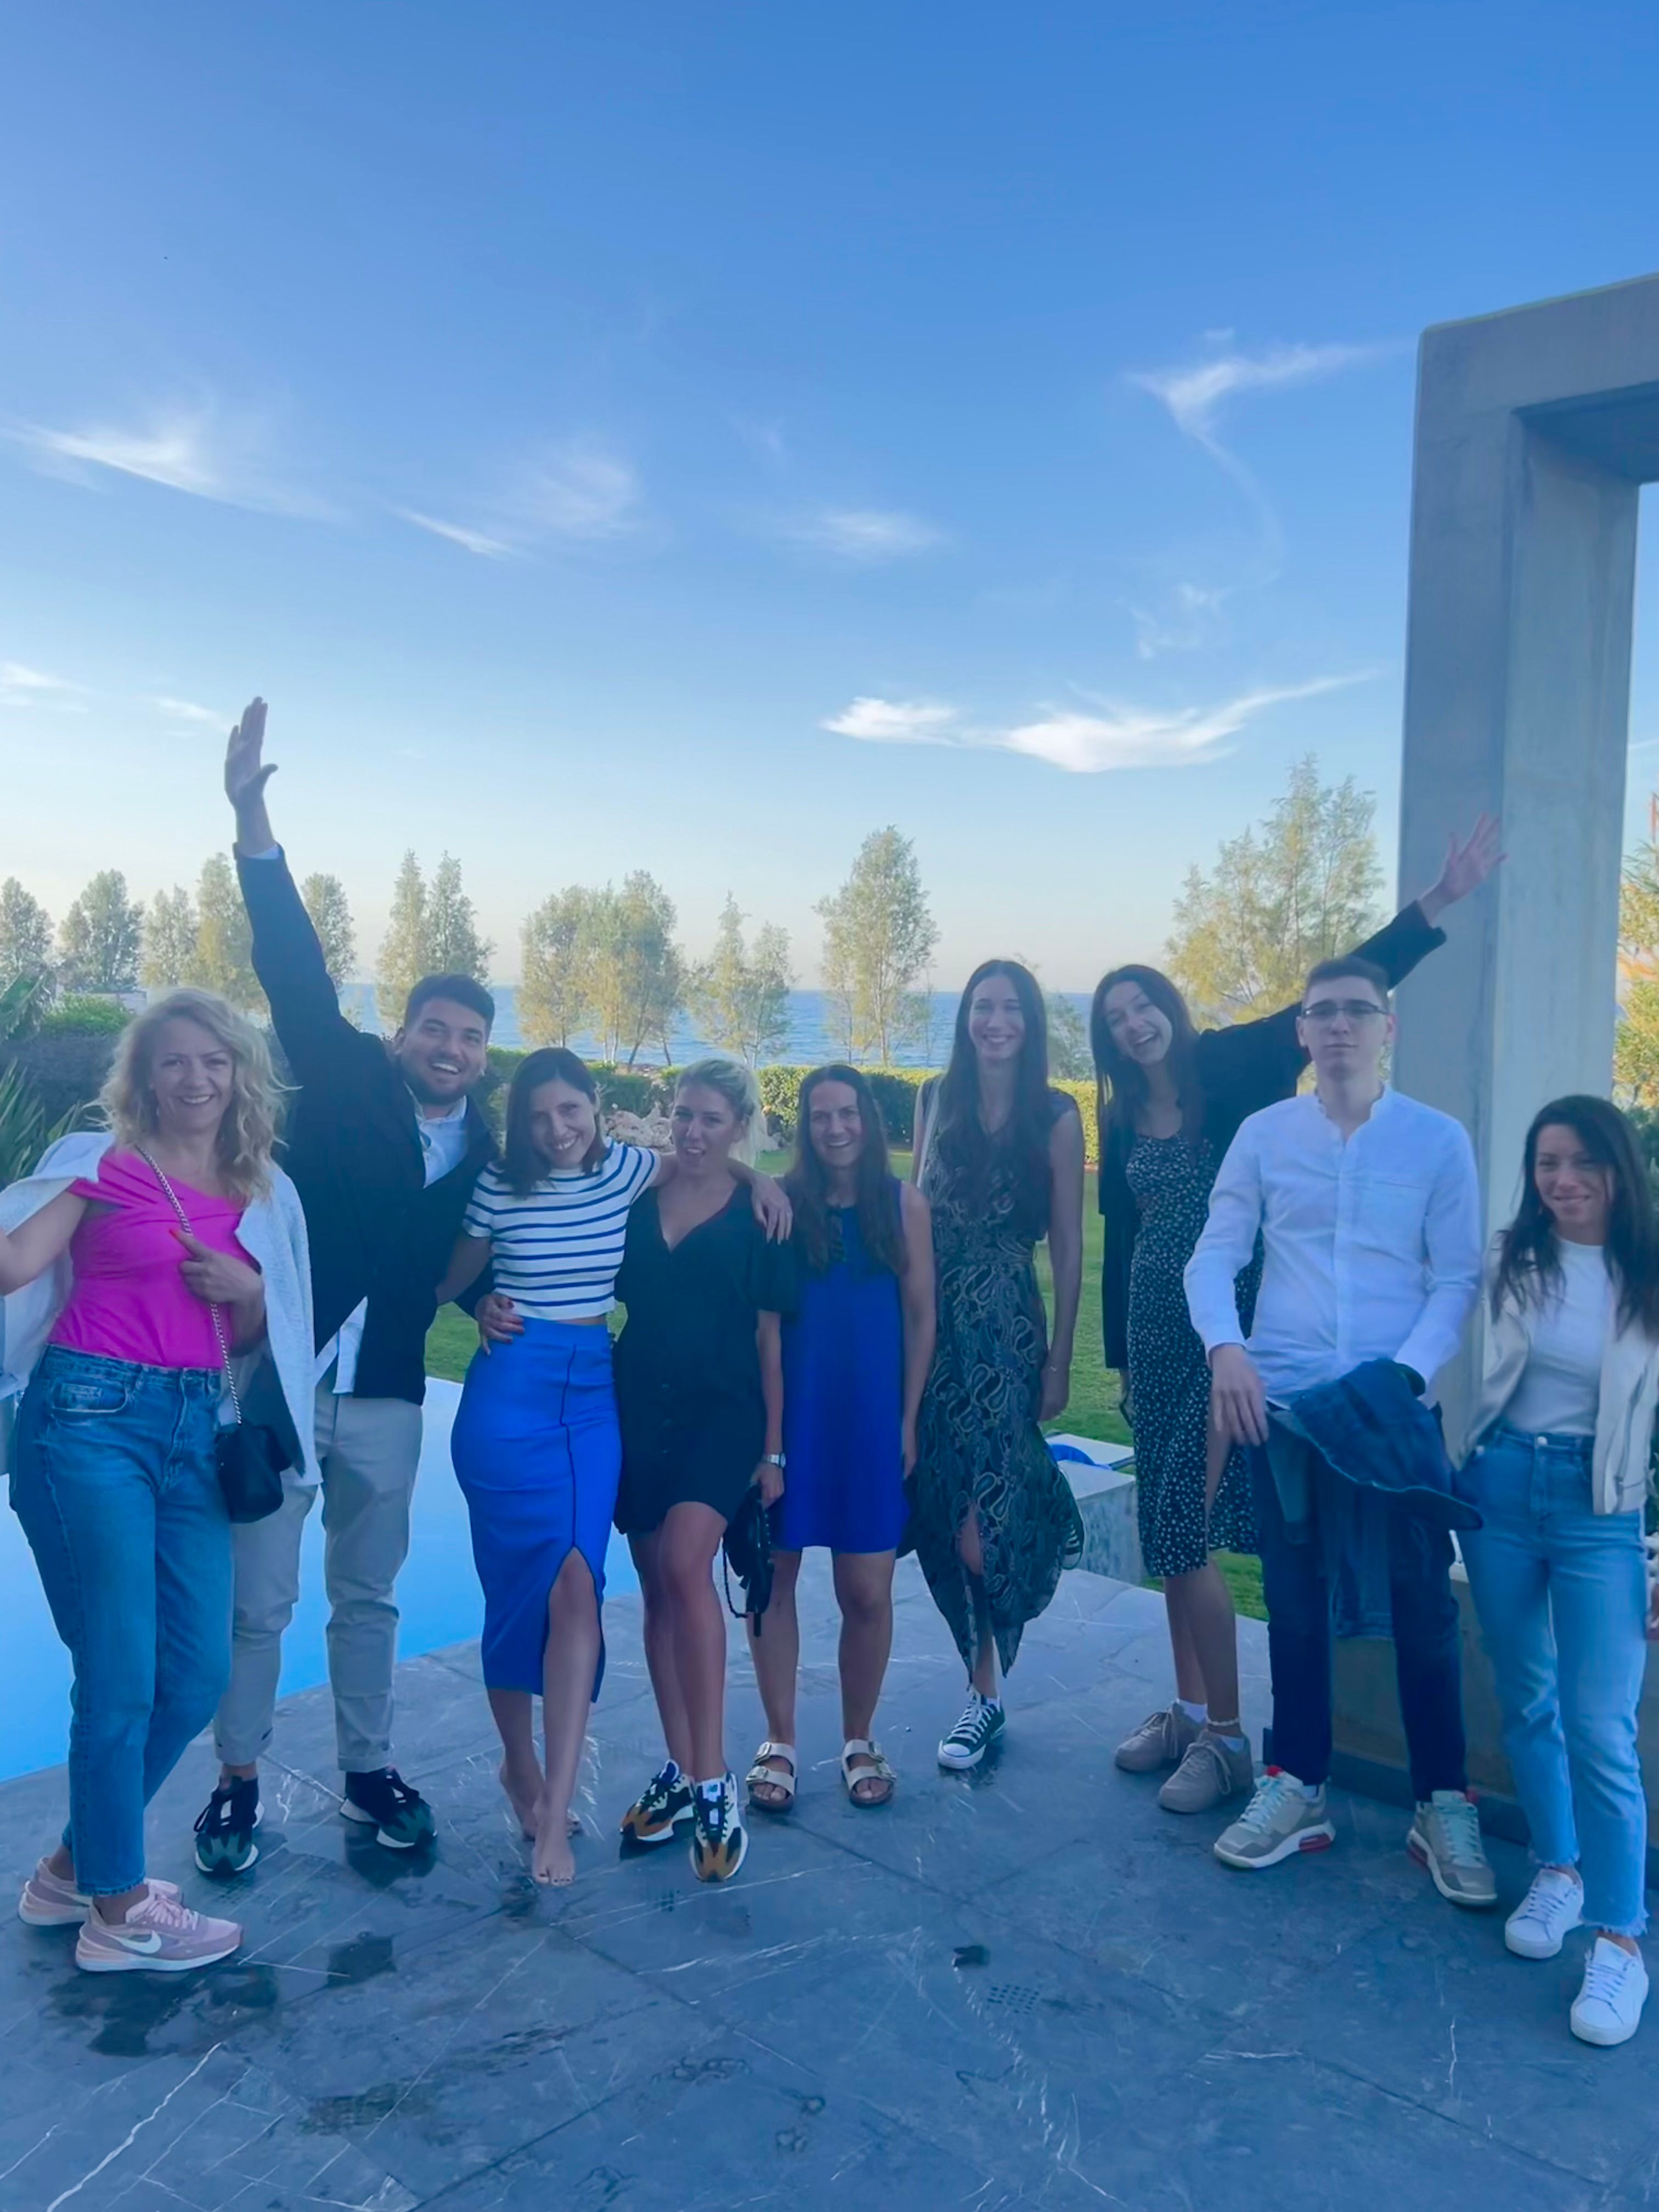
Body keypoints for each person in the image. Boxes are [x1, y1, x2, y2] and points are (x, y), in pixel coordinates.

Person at [1096, 817, 1500, 1815]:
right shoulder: (1119, 1113)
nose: (1135, 1024)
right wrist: (1121, 1359)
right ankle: (1195, 1711)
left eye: (1144, 1004)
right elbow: (1127, 1237)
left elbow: (1349, 989)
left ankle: (1231, 1739)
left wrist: (1439, 902)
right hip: (1163, 1335)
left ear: (1170, 1009)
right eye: (1116, 1017)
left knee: (1196, 1529)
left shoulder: (1235, 1065)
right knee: (1172, 1533)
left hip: (1236, 1335)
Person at [198, 698, 498, 1872]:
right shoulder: (344, 1078)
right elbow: (292, 964)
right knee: (258, 1603)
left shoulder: (486, 1147)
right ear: (405, 1032)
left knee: (367, 1596)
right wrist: (252, 821)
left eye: (470, 1037)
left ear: (482, 1053)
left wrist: (479, 1301)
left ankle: (367, 1771)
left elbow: (467, 1246)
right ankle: (236, 1781)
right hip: (282, 1379)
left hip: (388, 1398)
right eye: (435, 1028)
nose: (450, 1048)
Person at [0, 991, 315, 1971]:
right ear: (144, 1076)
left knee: (196, 1673)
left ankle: (72, 1871)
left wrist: (250, 1291)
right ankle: (120, 1913)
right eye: (174, 1061)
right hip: (89, 1421)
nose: (196, 1079)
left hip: (198, 1429)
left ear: (241, 1074)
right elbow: (15, 1262)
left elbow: (266, 1338)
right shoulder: (102, 1164)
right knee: (119, 1674)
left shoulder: (263, 1187)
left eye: (215, 1061)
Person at [441, 1050, 789, 1885]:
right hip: (567, 1396)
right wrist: (478, 1300)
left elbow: (705, 1166)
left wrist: (759, 1175)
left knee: (627, 1577)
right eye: (539, 1115)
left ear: (595, 1108)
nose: (557, 1128)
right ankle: (580, 1768)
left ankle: (671, 1787)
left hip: (644, 1402)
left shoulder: (654, 1179)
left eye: (571, 1110)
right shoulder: (531, 1184)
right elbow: (450, 1277)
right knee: (568, 1587)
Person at [1186, 953, 1488, 1902]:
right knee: (1295, 1601)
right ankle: (1298, 1787)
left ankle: (1443, 1803)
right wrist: (1226, 1349)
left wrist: (1403, 1376)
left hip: (1393, 1412)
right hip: (1285, 1410)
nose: (1341, 1026)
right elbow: (1214, 1254)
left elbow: (1458, 1277)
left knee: (1424, 1610)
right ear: (1303, 1032)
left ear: (1387, 1027)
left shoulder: (1437, 1141)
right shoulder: (1264, 1136)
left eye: (1359, 1010)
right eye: (1324, 1012)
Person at [1460, 1097, 1659, 2047]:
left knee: (1601, 1725)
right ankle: (1560, 1868)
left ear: (1618, 1170)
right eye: (1548, 1163)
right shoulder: (1511, 1257)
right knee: (1526, 1697)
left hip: (1601, 1512)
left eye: (1584, 1162)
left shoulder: (1648, 1272)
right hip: (1501, 1490)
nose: (1564, 1180)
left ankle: (1621, 1939)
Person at [613, 1060, 797, 1883]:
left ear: (739, 1126)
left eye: (712, 1120)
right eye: (684, 1114)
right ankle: (683, 1766)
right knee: (657, 1587)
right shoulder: (639, 1195)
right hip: (637, 1405)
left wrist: (774, 1451)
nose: (693, 1132)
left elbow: (769, 1339)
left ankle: (715, 1778)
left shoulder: (762, 1216)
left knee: (687, 1565)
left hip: (724, 1414)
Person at [744, 1065, 935, 1814]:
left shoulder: (903, 1205)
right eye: (820, 1116)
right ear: (805, 1125)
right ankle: (781, 1741)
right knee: (774, 1579)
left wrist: (907, 1419)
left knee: (866, 1591)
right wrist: (768, 1442)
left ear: (869, 1119)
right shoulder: (781, 1204)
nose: (835, 1128)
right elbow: (763, 1327)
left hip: (869, 1419)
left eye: (847, 1113)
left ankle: (860, 1738)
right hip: (792, 1417)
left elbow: (921, 1317)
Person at [910, 960, 1085, 1772]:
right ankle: (982, 1685)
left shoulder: (1056, 1115)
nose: (995, 1020)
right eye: (983, 1006)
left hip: (1007, 1328)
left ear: (1030, 1021)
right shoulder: (933, 1099)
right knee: (943, 1505)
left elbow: (1070, 1246)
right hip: (930, 1325)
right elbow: (910, 1214)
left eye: (1011, 1007)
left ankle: (985, 1693)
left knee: (984, 1527)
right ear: (966, 1017)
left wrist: (1061, 1358)